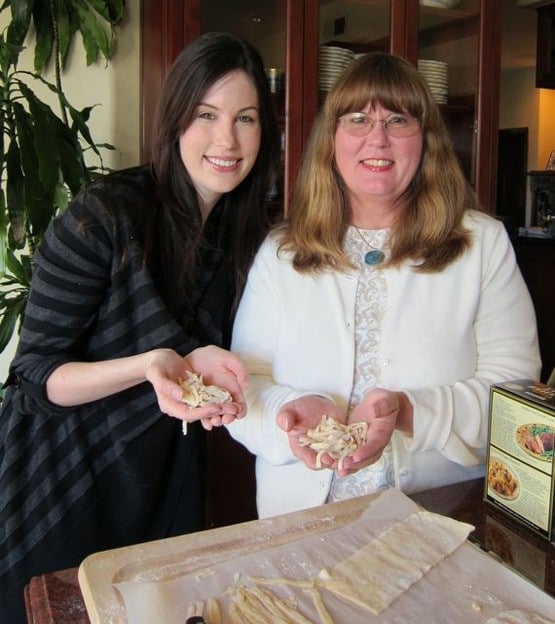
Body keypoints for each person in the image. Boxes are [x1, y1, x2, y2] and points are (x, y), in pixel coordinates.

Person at [0, 32, 280, 622]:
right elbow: (34, 376)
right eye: (207, 115)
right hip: (63, 477)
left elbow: (226, 360)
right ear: (176, 117)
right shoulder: (105, 215)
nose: (226, 140)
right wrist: (149, 364)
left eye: (246, 118)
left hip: (163, 481)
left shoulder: (249, 237)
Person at [226, 52, 541, 520]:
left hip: (442, 513)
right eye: (357, 119)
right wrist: (290, 415)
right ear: (330, 141)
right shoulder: (281, 253)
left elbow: (515, 397)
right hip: (300, 519)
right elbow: (245, 385)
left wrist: (411, 412)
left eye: (398, 119)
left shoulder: (482, 245)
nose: (378, 137)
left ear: (427, 140)